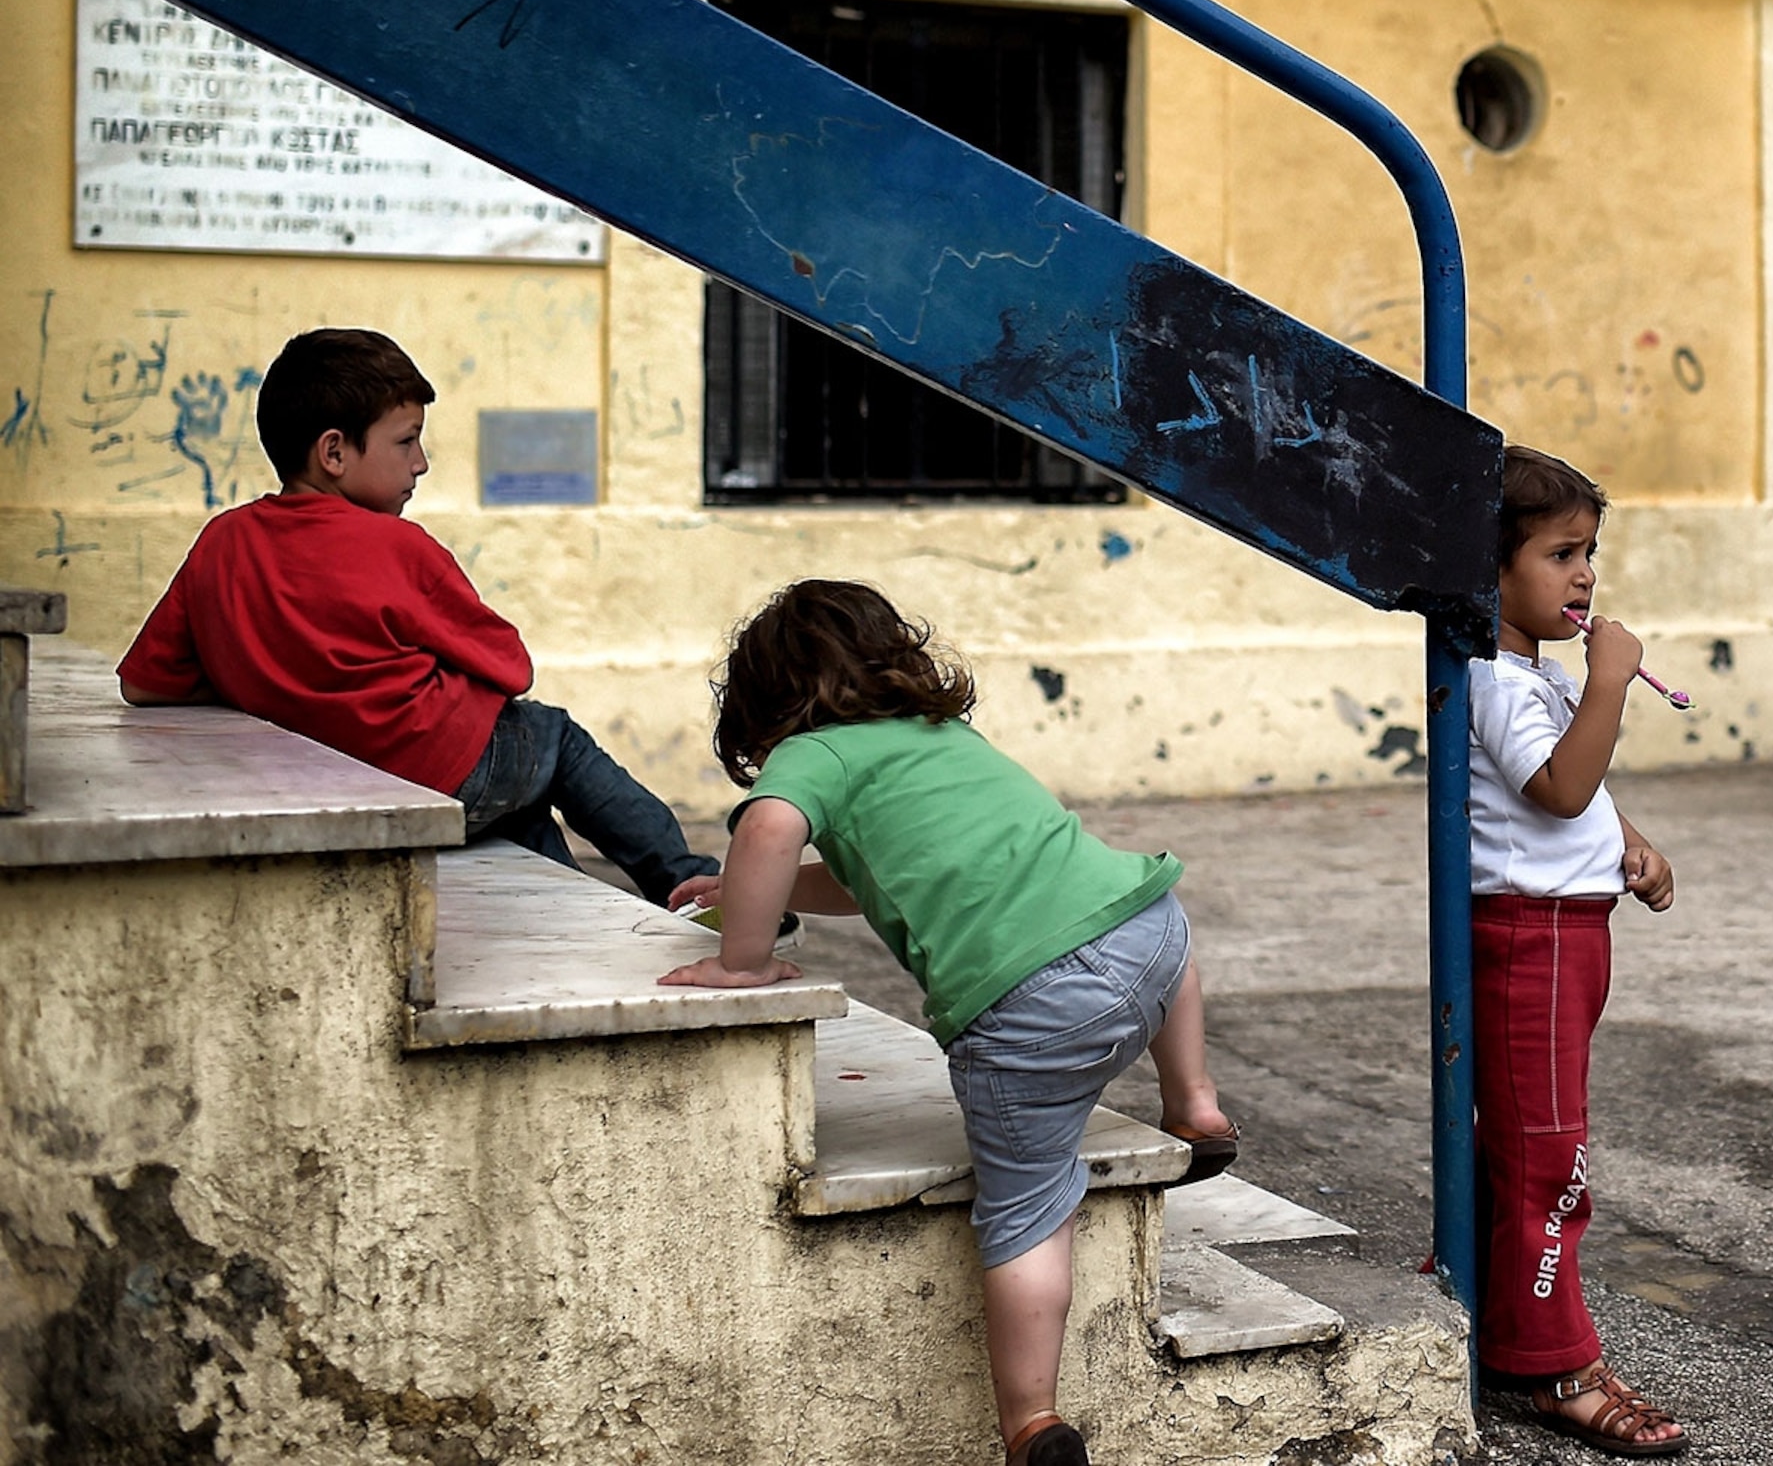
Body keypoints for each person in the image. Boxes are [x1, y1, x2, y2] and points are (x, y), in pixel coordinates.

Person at [659, 579, 1232, 1466]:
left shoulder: (813, 755)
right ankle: (1195, 1100)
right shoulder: (940, 734)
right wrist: (745, 896)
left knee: (1030, 1207)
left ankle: (1033, 1423)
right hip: (1144, 939)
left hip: (1031, 1010)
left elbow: (770, 829)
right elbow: (872, 878)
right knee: (1150, 908)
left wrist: (742, 959)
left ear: (768, 699)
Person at [117, 327, 714, 904]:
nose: (421, 463)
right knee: (554, 740)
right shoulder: (398, 547)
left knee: (521, 806)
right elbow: (511, 667)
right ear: (334, 452)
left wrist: (257, 670)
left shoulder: (221, 542)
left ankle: (582, 917)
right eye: (406, 441)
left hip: (338, 791)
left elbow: (143, 684)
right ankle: (691, 883)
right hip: (438, 770)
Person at [1470, 446, 1687, 1457]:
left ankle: (1510, 1326)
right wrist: (1610, 679)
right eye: (1561, 553)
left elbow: (1580, 792)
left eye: (1590, 552)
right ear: (1493, 566)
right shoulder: (1492, 678)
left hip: (1566, 936)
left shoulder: (1535, 678)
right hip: (1530, 940)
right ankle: (1556, 1364)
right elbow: (1554, 788)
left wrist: (1626, 839)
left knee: (1532, 1143)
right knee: (1553, 1156)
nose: (1586, 576)